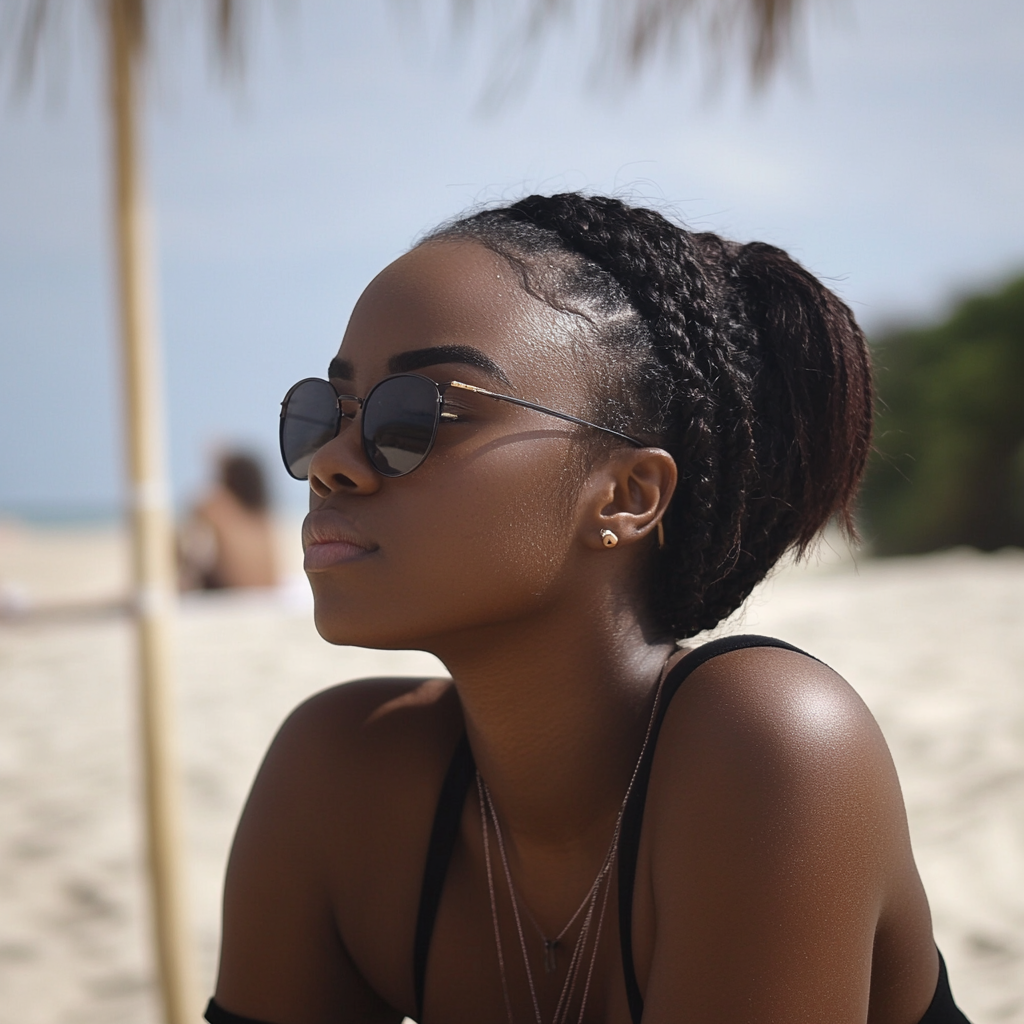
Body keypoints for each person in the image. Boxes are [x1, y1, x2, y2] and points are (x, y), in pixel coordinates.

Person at [205, 194, 970, 1024]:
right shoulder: (339, 777)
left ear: (626, 496)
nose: (334, 466)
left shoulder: (773, 748)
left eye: (415, 418)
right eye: (326, 414)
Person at [178, 451, 279, 591]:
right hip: (266, 598)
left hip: (232, 599)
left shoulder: (216, 506)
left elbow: (186, 551)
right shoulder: (262, 517)